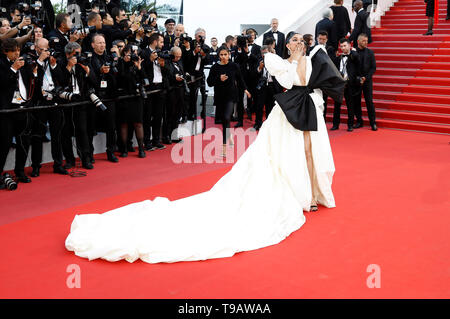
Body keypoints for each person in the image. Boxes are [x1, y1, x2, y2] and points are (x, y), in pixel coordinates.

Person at [65, 31, 345, 264]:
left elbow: (312, 81)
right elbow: (293, 81)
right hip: (286, 115)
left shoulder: (313, 58)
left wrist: (304, 59)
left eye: (300, 40)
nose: (298, 42)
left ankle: (311, 193)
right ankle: (297, 194)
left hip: (307, 110)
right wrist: (295, 59)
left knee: (309, 151)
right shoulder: (278, 61)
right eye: (294, 40)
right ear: (288, 45)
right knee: (281, 157)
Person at [207, 46, 251, 157]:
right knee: (224, 120)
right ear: (218, 55)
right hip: (219, 96)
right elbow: (209, 82)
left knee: (227, 118)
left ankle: (224, 148)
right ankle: (229, 135)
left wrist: (246, 89)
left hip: (231, 96)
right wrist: (218, 79)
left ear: (229, 54)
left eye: (225, 54)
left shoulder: (234, 66)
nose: (223, 57)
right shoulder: (215, 67)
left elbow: (240, 79)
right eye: (221, 55)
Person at [116, 45, 146, 158]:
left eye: (135, 53)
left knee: (138, 123)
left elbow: (144, 78)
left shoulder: (137, 62)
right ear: (124, 53)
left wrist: (138, 67)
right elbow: (122, 77)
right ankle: (123, 149)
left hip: (136, 96)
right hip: (124, 97)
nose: (133, 55)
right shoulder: (121, 63)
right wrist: (129, 65)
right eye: (130, 53)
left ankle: (141, 149)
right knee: (124, 124)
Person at [331, 38, 360, 132]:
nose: (343, 48)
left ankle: (350, 125)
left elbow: (358, 63)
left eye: (345, 46)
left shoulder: (354, 56)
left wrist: (353, 51)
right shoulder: (339, 57)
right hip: (339, 84)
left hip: (349, 84)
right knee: (336, 105)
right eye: (341, 46)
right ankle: (335, 124)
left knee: (350, 105)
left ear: (349, 45)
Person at [353, 33, 377, 131]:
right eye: (364, 41)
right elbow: (351, 68)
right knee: (356, 102)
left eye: (367, 41)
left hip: (367, 81)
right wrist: (358, 78)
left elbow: (373, 68)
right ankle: (359, 121)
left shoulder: (370, 52)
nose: (366, 42)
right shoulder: (353, 52)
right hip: (356, 81)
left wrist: (365, 78)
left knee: (369, 102)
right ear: (358, 41)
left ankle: (373, 123)